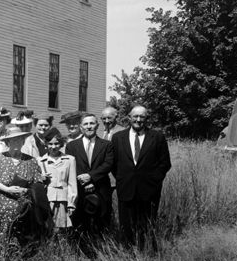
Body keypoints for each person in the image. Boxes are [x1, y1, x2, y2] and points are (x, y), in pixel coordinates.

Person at [111, 105, 171, 252]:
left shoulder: (157, 137)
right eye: (135, 116)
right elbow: (113, 163)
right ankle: (128, 254)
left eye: (142, 117)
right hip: (126, 188)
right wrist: (121, 179)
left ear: (146, 118)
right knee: (127, 225)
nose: (138, 120)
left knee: (147, 225)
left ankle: (147, 253)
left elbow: (165, 164)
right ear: (129, 118)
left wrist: (153, 181)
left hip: (149, 191)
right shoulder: (118, 138)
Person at [0, 120, 52, 258]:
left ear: (23, 142)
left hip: (23, 209)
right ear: (7, 142)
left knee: (21, 241)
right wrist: (7, 189)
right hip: (1, 206)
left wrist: (40, 183)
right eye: (12, 140)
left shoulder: (31, 161)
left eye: (19, 140)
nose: (16, 143)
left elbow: (36, 184)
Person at [66, 113, 117, 246]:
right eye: (86, 124)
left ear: (97, 125)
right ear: (81, 127)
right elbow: (70, 166)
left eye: (92, 123)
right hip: (79, 189)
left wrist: (91, 177)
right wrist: (83, 182)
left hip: (101, 189)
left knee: (102, 221)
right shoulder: (72, 146)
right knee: (80, 222)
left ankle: (102, 250)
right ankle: (80, 251)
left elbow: (108, 164)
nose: (89, 127)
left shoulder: (107, 145)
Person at [38, 129, 77, 235]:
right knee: (47, 229)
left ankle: (62, 251)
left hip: (62, 200)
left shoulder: (69, 160)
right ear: (46, 144)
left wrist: (71, 203)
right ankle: (48, 251)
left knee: (61, 230)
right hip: (46, 200)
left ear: (61, 144)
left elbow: (72, 183)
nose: (53, 147)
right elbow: (35, 184)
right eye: (50, 144)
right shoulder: (40, 161)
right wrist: (40, 179)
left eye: (56, 143)